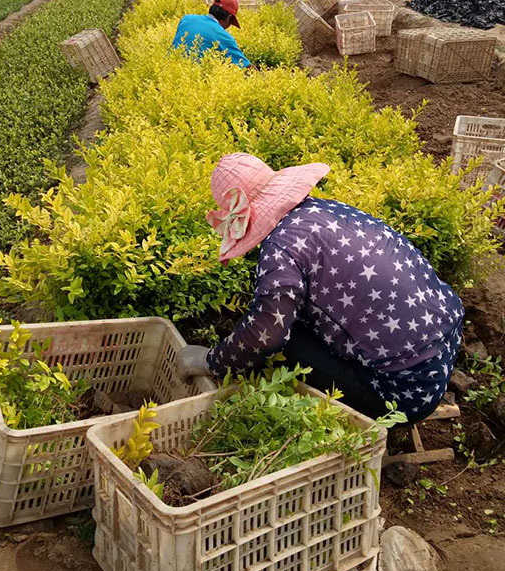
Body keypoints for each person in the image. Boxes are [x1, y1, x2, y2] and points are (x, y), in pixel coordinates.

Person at [178, 153, 464, 424]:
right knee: (294, 318)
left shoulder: (280, 249)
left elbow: (265, 336)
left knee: (283, 343)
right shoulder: (325, 209)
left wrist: (209, 361)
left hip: (402, 392)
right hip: (443, 350)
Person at [172, 0, 251, 68]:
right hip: (193, 73)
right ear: (229, 18)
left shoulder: (186, 19)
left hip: (171, 67)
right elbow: (246, 67)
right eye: (231, 22)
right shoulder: (223, 36)